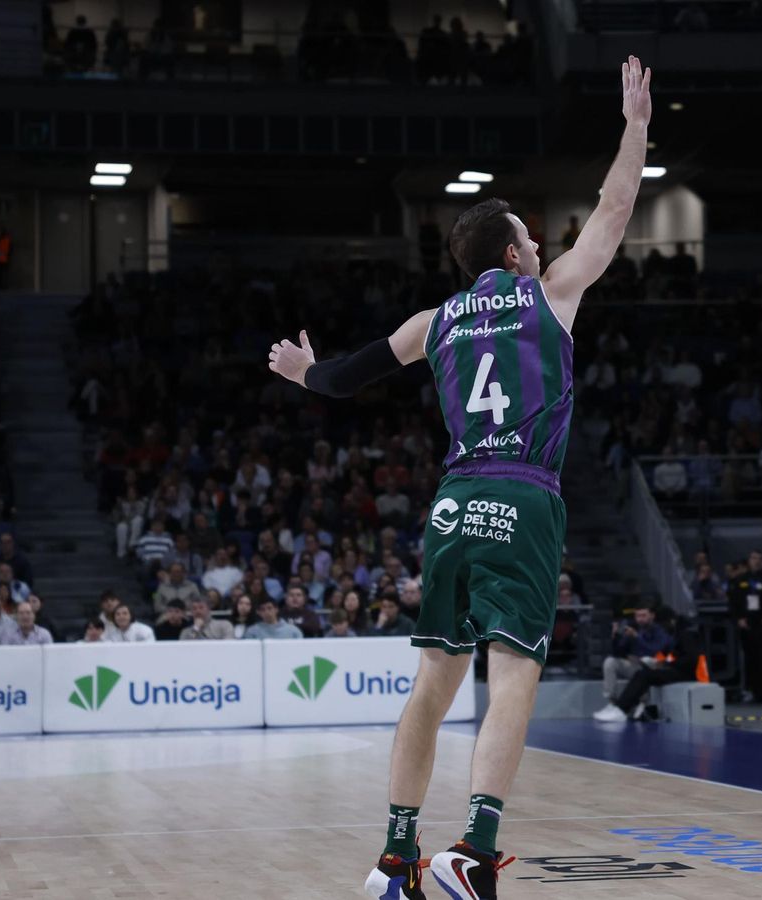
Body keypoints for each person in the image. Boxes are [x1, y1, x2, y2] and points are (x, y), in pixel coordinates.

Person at [268, 56, 652, 900]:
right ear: (514, 254)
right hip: (522, 492)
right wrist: (634, 125)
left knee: (434, 681)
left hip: (453, 500)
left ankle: (396, 855)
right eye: (533, 235)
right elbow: (619, 208)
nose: (544, 242)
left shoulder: (433, 320)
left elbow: (340, 379)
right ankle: (473, 849)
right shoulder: (547, 295)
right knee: (512, 671)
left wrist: (302, 370)